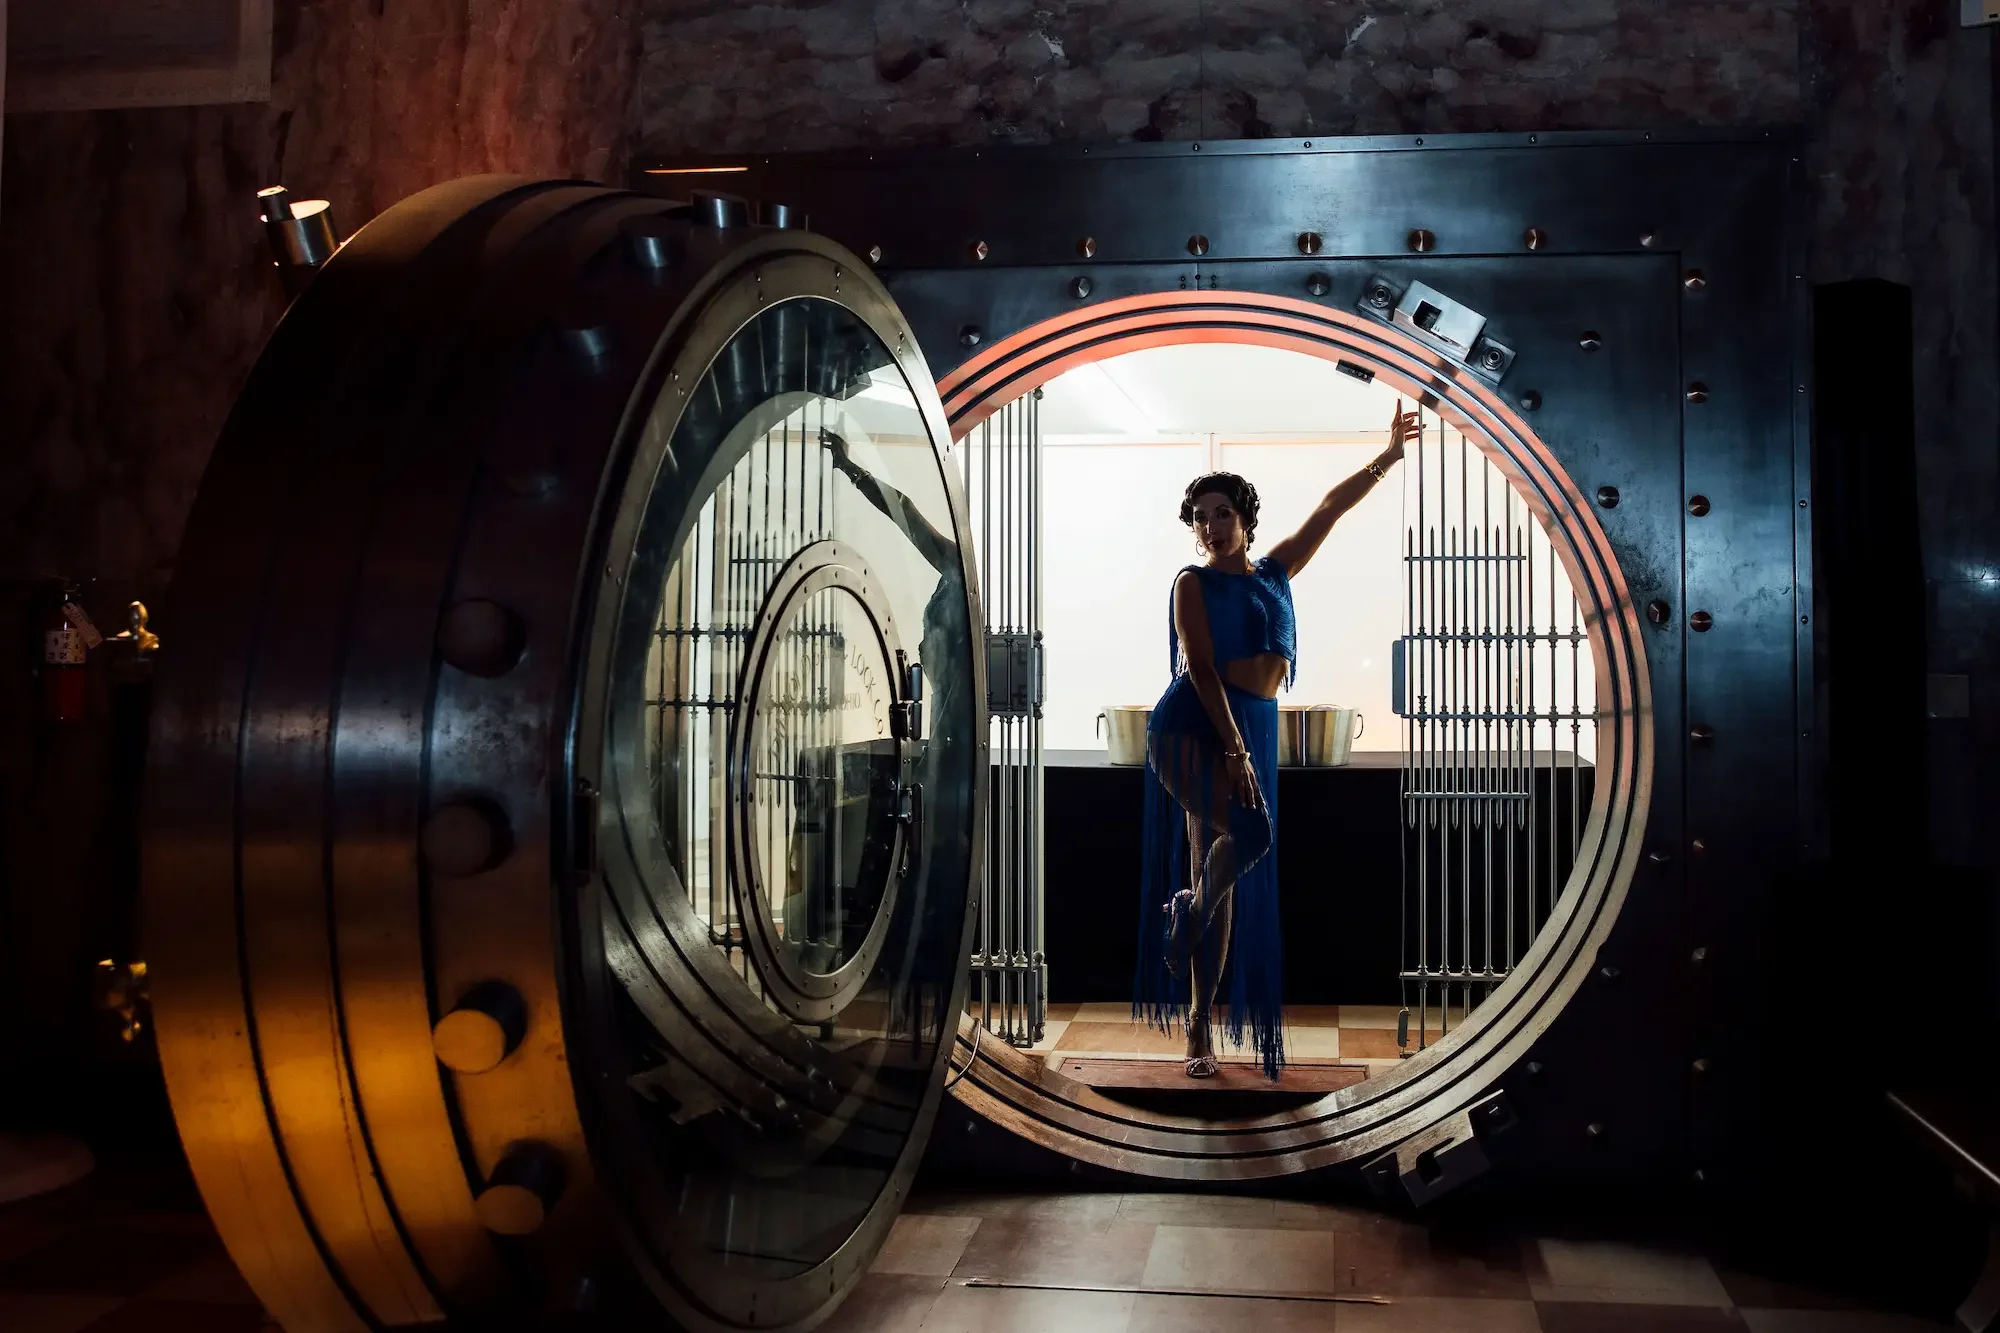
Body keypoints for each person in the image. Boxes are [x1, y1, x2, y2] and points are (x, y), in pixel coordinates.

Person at [1137, 399, 1421, 1078]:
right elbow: (1201, 669)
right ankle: (1197, 1017)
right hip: (1197, 723)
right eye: (1201, 517)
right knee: (1239, 838)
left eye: (1222, 514)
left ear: (1244, 518)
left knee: (1226, 871)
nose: (1211, 527)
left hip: (1251, 723)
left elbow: (1328, 508)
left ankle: (1194, 961)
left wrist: (1387, 455)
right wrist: (1233, 751)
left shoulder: (1274, 571)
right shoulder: (1191, 583)